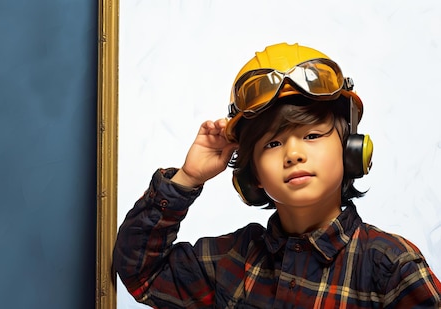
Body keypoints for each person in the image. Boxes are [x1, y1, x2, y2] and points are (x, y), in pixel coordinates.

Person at [113, 42, 441, 308]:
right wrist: (187, 177)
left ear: (351, 149)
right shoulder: (232, 259)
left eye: (312, 135)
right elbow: (143, 275)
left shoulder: (391, 266)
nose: (294, 153)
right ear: (253, 174)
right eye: (273, 142)